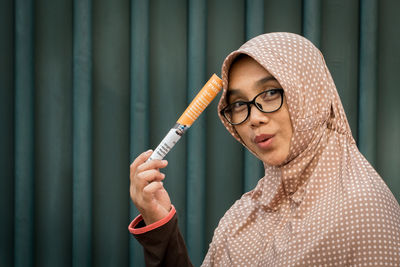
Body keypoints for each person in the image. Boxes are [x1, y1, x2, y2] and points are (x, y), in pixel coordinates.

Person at [129, 32, 400, 266]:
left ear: (309, 93)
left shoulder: (363, 212)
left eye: (271, 92)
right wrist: (159, 222)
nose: (253, 118)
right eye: (238, 103)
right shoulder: (242, 217)